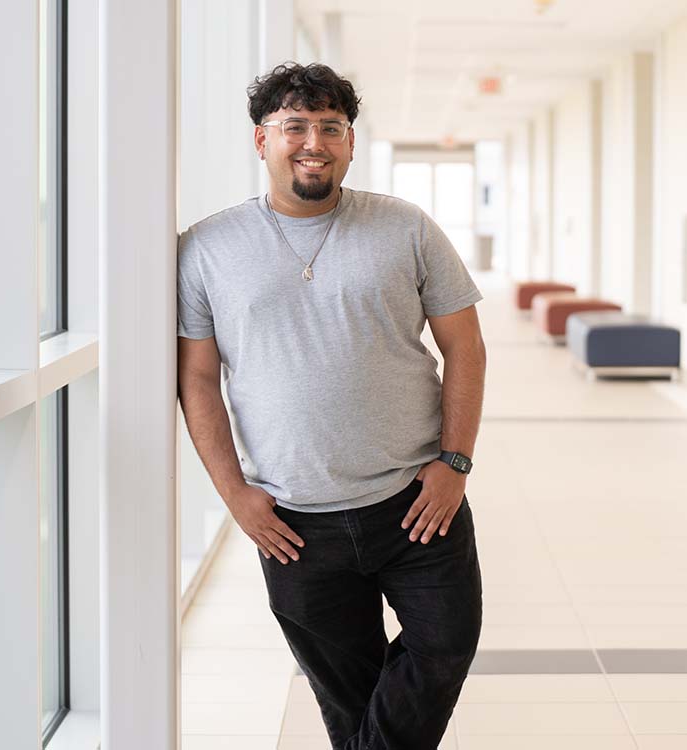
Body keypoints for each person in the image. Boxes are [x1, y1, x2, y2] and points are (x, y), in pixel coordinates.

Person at [176, 61, 485, 750]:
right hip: (294, 522)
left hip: (415, 503)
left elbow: (466, 347)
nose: (312, 141)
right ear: (262, 141)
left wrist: (455, 462)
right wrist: (235, 495)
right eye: (294, 126)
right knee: (348, 697)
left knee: (445, 649)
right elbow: (197, 379)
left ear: (349, 143)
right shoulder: (206, 248)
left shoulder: (407, 229)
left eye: (330, 128)